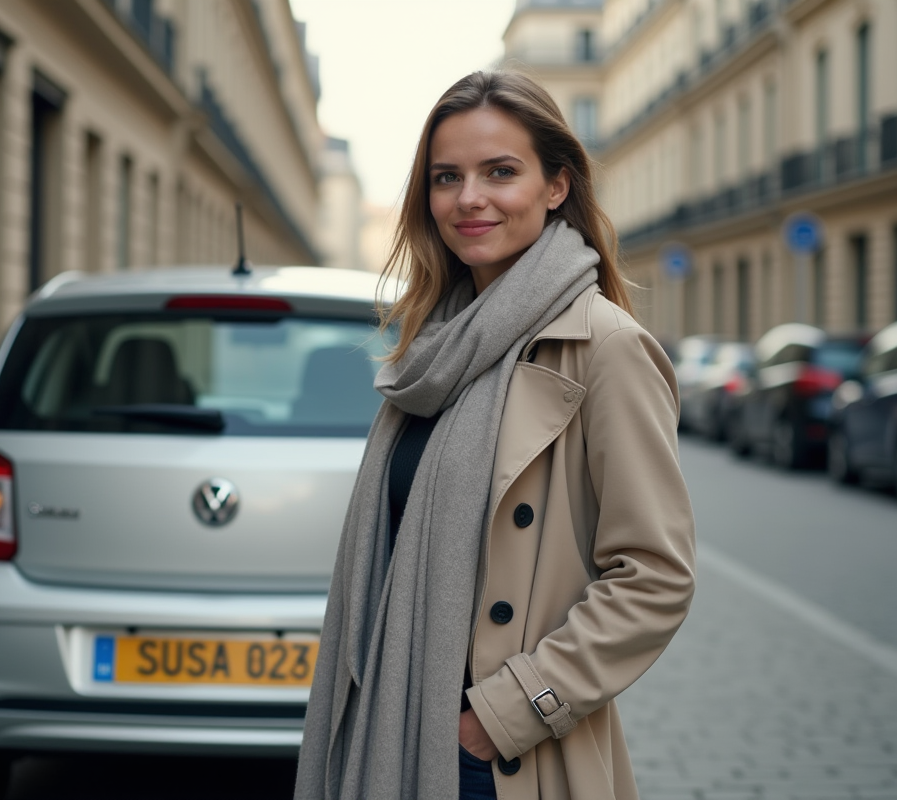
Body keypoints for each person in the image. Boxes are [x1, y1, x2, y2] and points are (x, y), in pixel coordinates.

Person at [294, 71, 696, 800]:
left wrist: (501, 716)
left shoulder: (603, 347)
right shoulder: (434, 346)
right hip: (394, 726)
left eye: (500, 172)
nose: (468, 198)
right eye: (446, 177)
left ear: (556, 186)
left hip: (499, 761)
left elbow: (655, 577)